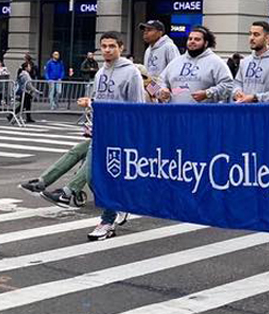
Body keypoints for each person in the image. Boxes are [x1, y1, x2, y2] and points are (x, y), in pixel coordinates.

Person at [40, 32, 144, 240]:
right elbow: (98, 100)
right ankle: (116, 206)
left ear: (121, 47)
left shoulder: (131, 72)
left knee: (107, 175)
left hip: (120, 132)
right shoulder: (99, 73)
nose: (107, 50)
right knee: (93, 177)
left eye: (112, 46)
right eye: (104, 46)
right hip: (100, 130)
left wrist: (132, 132)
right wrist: (91, 107)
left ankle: (108, 220)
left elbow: (136, 106)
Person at [19, 64, 155, 200]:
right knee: (77, 150)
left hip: (130, 139)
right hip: (113, 133)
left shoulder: (143, 94)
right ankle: (44, 181)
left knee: (91, 156)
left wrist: (92, 104)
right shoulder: (135, 91)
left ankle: (69, 190)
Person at [157, 26, 234, 104]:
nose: (192, 41)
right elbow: (159, 82)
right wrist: (162, 90)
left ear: (206, 43)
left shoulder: (216, 62)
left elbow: (228, 86)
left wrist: (207, 93)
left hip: (203, 113)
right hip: (175, 112)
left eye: (197, 39)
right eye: (190, 39)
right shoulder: (175, 62)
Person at [232, 21, 269, 103]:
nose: (251, 38)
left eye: (256, 35)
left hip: (265, 113)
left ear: (267, 38)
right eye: (250, 34)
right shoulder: (244, 62)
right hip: (244, 112)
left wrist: (255, 98)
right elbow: (237, 83)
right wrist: (237, 92)